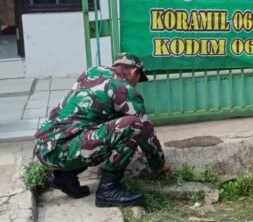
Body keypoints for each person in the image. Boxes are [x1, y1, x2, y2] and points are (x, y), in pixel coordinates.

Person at [33, 53, 170, 207]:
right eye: (139, 79)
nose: (136, 84)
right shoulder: (123, 88)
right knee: (133, 125)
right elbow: (146, 132)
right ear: (134, 72)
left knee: (102, 123)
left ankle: (65, 176)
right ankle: (108, 190)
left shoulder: (92, 72)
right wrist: (159, 164)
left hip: (44, 148)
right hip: (63, 150)